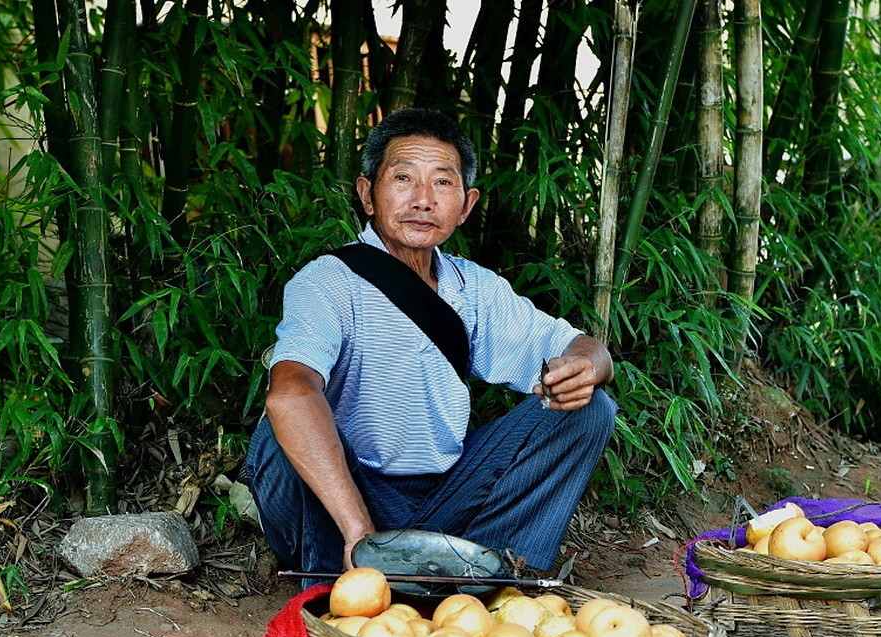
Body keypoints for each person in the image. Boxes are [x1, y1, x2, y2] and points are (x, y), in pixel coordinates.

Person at [246, 108, 616, 583]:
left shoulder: (474, 288)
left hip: (447, 494)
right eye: (403, 178)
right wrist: (359, 531)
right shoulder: (325, 283)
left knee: (589, 410)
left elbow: (585, 348)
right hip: (345, 499)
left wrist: (585, 367)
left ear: (466, 204)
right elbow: (290, 392)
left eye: (442, 183)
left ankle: (489, 575)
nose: (422, 200)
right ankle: (337, 579)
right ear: (367, 194)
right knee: (282, 432)